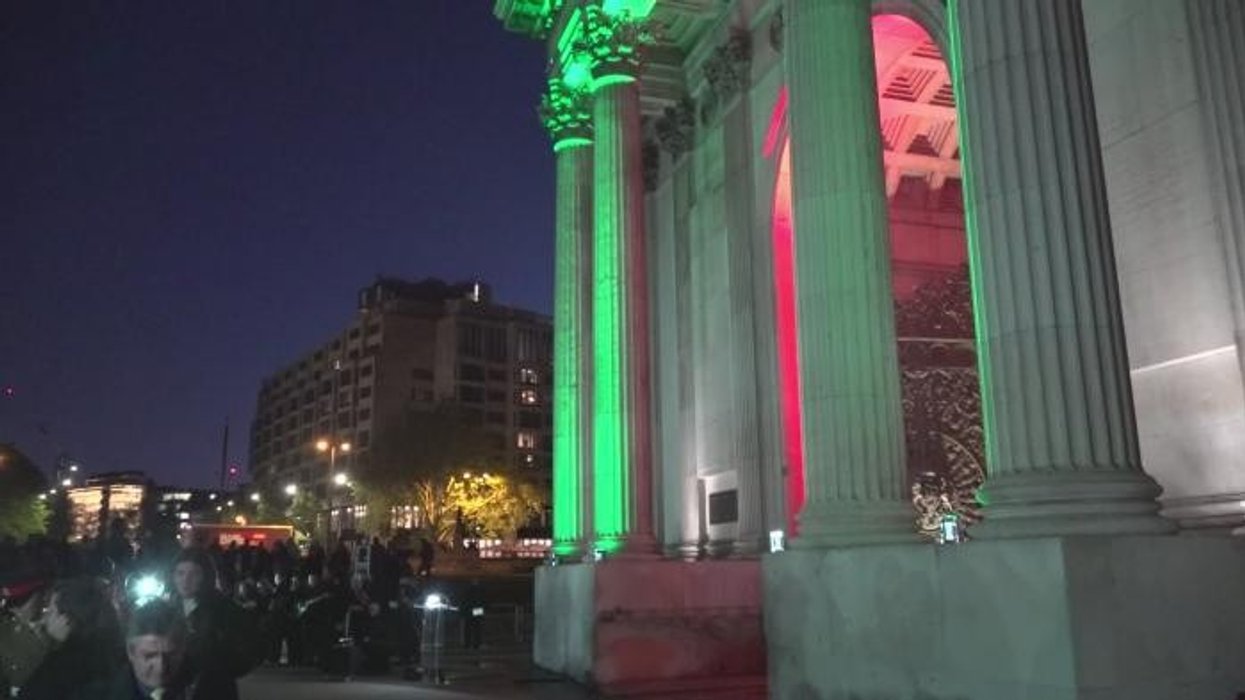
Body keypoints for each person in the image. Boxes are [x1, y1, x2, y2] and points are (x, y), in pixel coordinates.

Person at [169, 548, 260, 700]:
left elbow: (249, 648)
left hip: (214, 690)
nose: (186, 580)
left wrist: (221, 669)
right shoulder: (168, 608)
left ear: (205, 576)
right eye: (180, 573)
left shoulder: (223, 609)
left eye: (194, 573)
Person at [17, 577, 123, 699]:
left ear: (65, 619)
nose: (44, 620)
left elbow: (29, 694)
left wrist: (50, 642)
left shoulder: (61, 667)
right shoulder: (118, 654)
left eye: (50, 612)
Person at [90, 600, 198, 699]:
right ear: (131, 652)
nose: (161, 667)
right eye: (150, 656)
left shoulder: (207, 690)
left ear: (183, 648)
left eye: (171, 655)